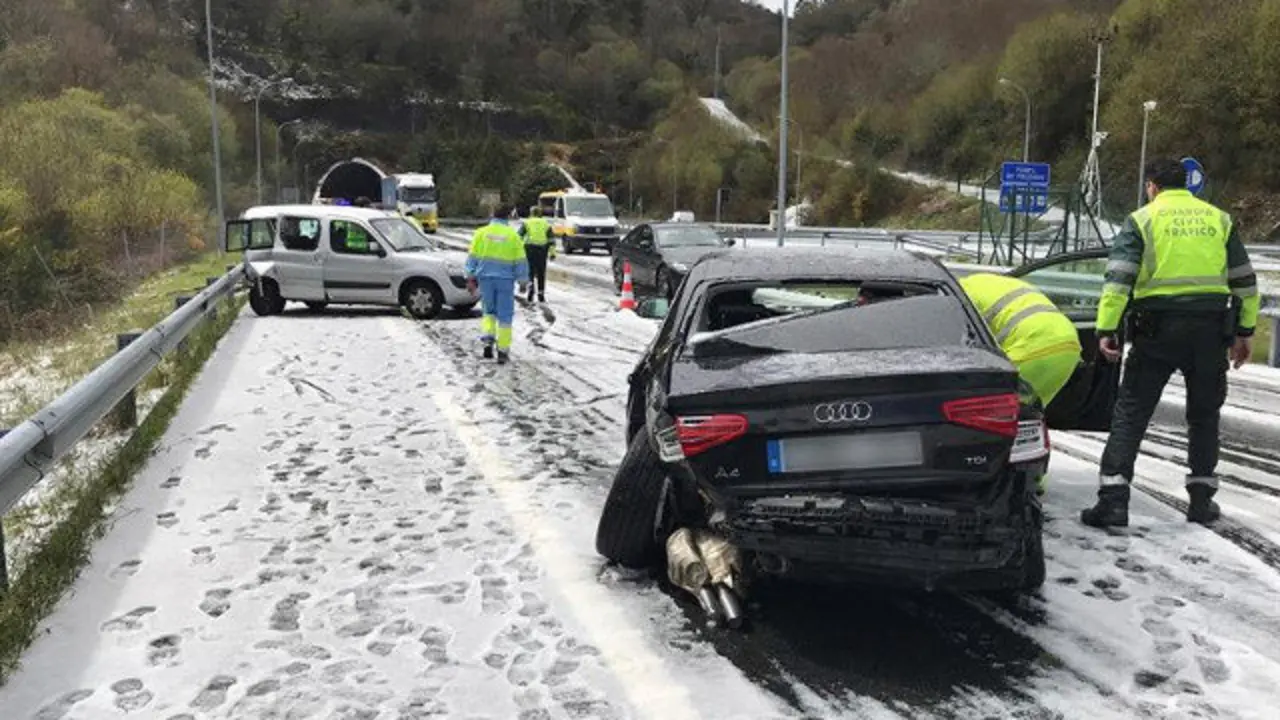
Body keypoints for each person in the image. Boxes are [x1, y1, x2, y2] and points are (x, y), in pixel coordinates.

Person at [1081, 158, 1259, 528]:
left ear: (1152, 186)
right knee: (1205, 414)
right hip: (1211, 331)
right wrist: (1244, 331)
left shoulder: (1142, 220)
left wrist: (1106, 329)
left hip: (1156, 330)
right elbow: (1244, 280)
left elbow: (1118, 281)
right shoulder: (1218, 219)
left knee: (1131, 412)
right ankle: (1201, 501)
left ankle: (1113, 501)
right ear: (1187, 186)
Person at [960, 273, 1083, 495]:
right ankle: (1035, 478)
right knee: (1032, 416)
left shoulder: (960, 295)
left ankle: (999, 478)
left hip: (1031, 346)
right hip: (1069, 346)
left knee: (992, 414)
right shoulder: (987, 282)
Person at [465, 206, 529, 364]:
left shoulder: (481, 233)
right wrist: (522, 281)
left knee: (488, 311)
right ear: (507, 217)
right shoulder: (513, 236)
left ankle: (488, 341)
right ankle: (502, 350)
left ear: (493, 215)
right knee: (505, 316)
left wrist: (470, 278)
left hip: (485, 278)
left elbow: (472, 257)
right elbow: (520, 260)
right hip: (505, 280)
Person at [518, 206, 556, 303]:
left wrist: (518, 251)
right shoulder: (546, 224)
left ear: (531, 213)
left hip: (529, 248)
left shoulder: (526, 223)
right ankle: (541, 293)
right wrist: (552, 253)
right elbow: (551, 240)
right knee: (541, 272)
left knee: (530, 270)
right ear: (540, 214)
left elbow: (518, 237)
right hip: (542, 249)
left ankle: (531, 286)